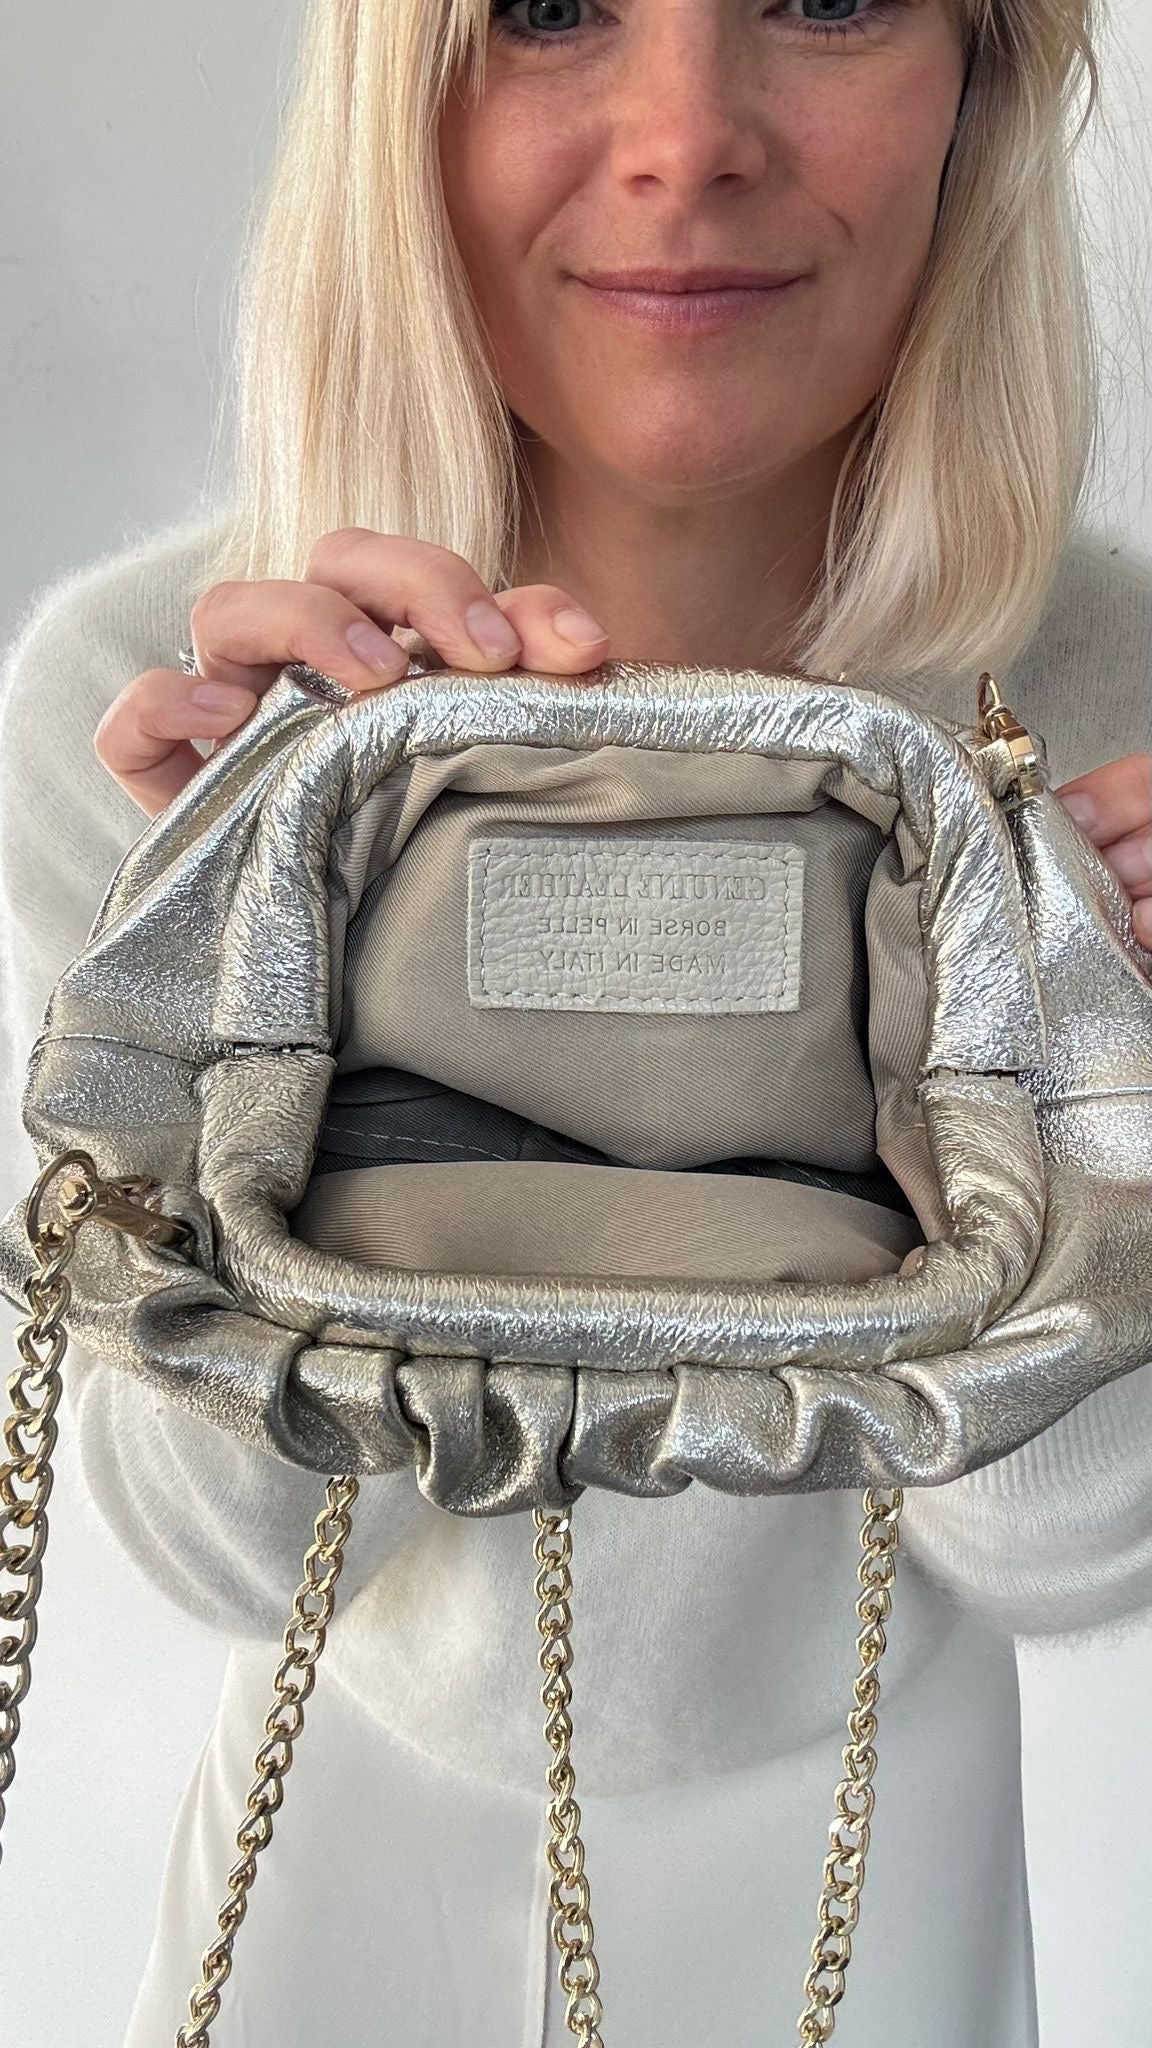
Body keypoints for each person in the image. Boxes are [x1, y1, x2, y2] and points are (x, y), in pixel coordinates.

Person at [1, 0, 1150, 2040]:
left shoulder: (1119, 701)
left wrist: (1107, 1114)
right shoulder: (162, 703)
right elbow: (214, 1558)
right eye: (543, 8)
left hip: (891, 1851)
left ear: (989, 60)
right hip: (337, 1855)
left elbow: (1076, 1552)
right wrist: (251, 1016)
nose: (683, 138)